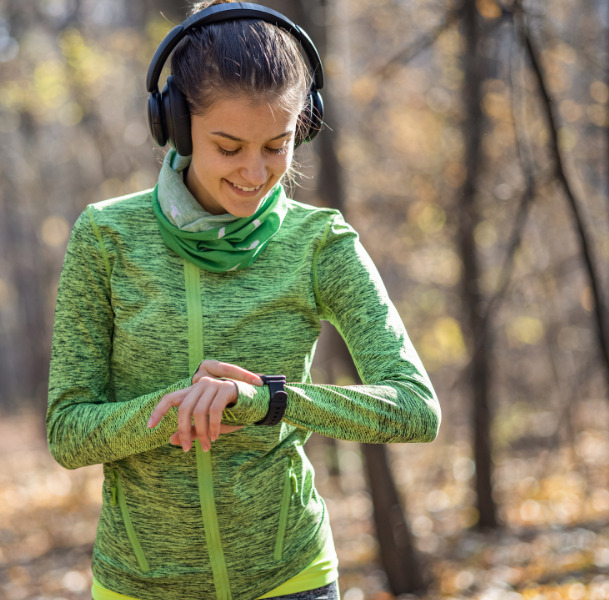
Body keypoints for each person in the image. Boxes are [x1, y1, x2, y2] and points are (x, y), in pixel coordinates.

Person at [46, 2, 441, 599]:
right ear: (175, 125)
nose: (256, 174)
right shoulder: (106, 238)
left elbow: (416, 409)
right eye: (229, 147)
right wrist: (172, 409)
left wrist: (268, 400)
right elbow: (68, 431)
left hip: (292, 581)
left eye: (277, 146)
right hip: (139, 586)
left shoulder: (321, 244)